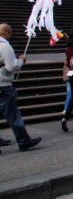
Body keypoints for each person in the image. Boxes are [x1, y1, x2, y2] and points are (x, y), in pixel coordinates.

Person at [0, 23, 42, 152]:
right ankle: (24, 141)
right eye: (10, 33)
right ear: (6, 33)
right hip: (3, 85)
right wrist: (21, 61)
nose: (10, 36)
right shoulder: (5, 46)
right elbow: (10, 67)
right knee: (13, 115)